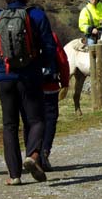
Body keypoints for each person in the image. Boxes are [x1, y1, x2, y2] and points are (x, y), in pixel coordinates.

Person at [0, 0, 57, 185]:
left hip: (5, 77)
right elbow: (50, 47)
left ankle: (14, 175)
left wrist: (0, 64)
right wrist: (41, 65)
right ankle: (32, 156)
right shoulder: (37, 16)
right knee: (36, 119)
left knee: (9, 125)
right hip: (30, 75)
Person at [22, 29, 69, 171]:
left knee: (29, 120)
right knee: (50, 119)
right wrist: (65, 82)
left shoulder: (24, 34)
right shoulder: (51, 35)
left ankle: (31, 154)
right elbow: (61, 59)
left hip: (28, 84)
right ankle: (44, 153)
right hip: (50, 84)